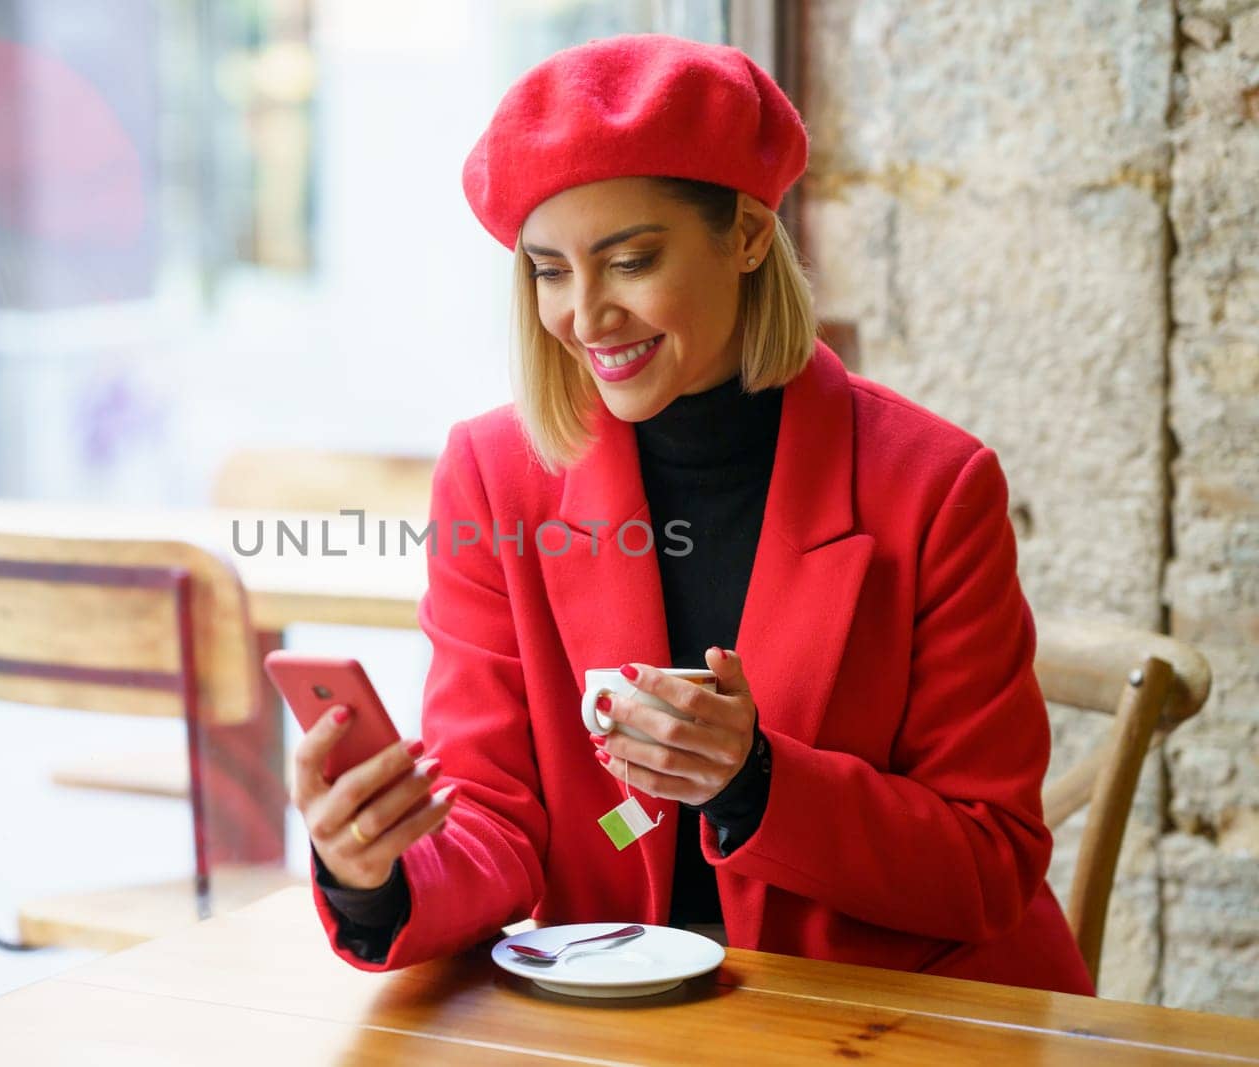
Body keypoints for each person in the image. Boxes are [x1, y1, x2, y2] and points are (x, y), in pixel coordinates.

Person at [288, 34, 1094, 996]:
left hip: (891, 1015)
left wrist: (757, 782)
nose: (585, 316)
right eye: (549, 271)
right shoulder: (495, 474)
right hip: (620, 1016)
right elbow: (494, 816)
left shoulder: (934, 485)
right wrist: (373, 873)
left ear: (750, 236)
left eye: (629, 261)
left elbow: (989, 865)